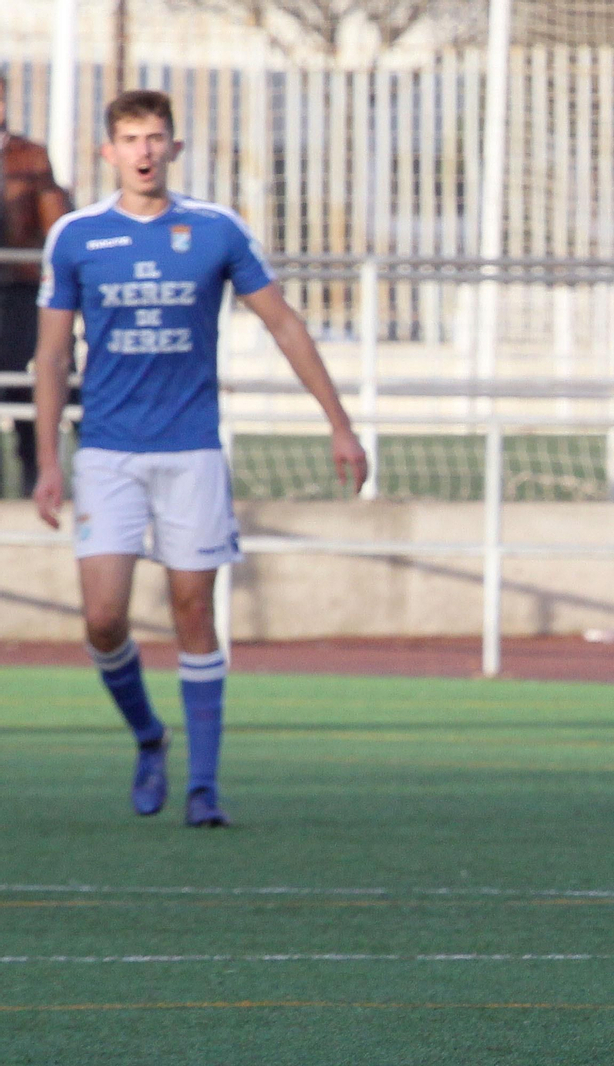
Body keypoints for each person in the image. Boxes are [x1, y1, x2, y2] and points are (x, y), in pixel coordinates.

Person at [31, 89, 367, 827]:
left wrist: (339, 423)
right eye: (130, 138)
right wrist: (48, 459)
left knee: (192, 611)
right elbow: (52, 358)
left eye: (156, 138)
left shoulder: (213, 229)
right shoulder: (78, 237)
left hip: (191, 452)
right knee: (103, 621)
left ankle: (204, 786)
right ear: (107, 152)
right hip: (109, 453)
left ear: (174, 148)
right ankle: (150, 736)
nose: (144, 152)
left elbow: (283, 323)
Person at [0, 76, 71, 497]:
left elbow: (54, 223)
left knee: (24, 380)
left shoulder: (30, 156)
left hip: (20, 292)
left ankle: (34, 475)